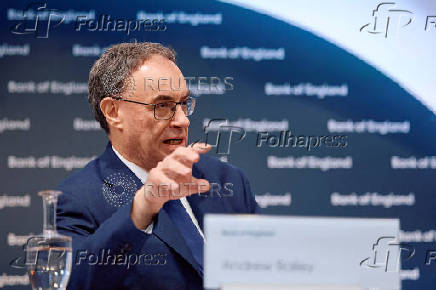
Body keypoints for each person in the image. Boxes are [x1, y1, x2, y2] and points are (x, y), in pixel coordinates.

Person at [56, 42, 260, 290]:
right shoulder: (78, 199)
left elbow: (268, 268)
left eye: (184, 104)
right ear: (113, 112)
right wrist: (142, 208)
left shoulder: (226, 180)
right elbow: (71, 283)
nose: (182, 120)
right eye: (162, 106)